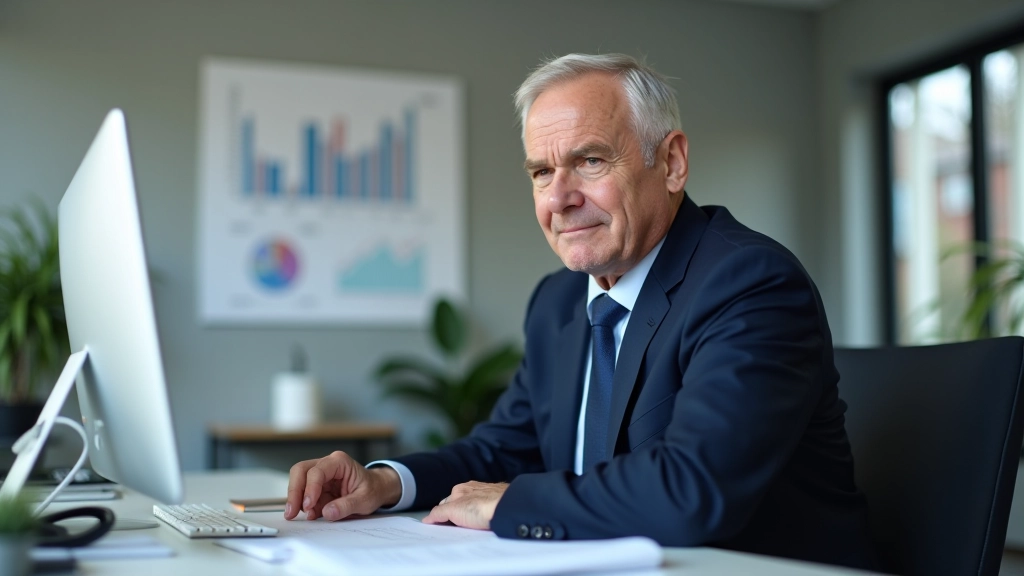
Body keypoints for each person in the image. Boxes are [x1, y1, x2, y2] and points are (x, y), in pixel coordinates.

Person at [285, 53, 876, 569]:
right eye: (542, 172)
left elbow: (692, 488)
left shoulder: (749, 283)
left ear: (670, 163)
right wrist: (386, 482)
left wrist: (512, 503)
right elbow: (506, 448)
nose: (561, 199)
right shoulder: (559, 300)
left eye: (590, 161)